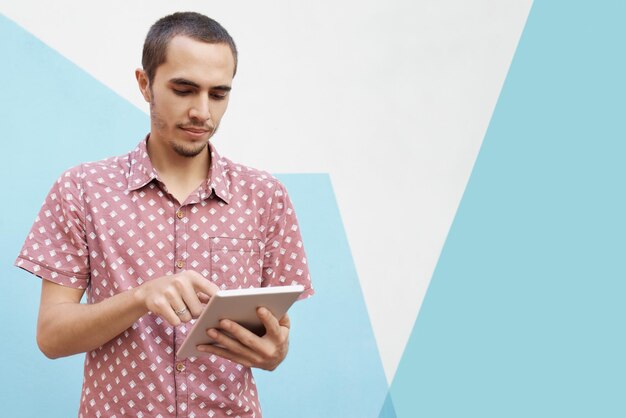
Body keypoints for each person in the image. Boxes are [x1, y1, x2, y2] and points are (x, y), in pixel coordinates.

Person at [15, 11, 313, 418]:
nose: (202, 112)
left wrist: (275, 351)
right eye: (184, 89)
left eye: (218, 94)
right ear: (145, 84)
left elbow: (276, 337)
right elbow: (51, 335)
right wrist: (140, 298)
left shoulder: (266, 197)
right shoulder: (82, 190)